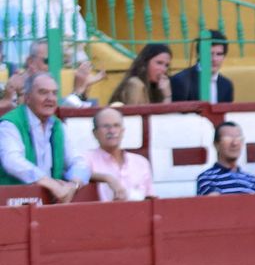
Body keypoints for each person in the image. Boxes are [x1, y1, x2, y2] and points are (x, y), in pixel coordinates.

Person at [0, 72, 88, 201]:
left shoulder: (58, 126)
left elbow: (79, 161)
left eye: (54, 93)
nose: (50, 98)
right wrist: (47, 181)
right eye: (43, 92)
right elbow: (12, 160)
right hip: (13, 204)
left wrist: (73, 184)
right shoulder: (10, 124)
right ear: (27, 97)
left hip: (50, 201)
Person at [85, 107, 155, 202]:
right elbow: (76, 174)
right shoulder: (87, 158)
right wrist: (107, 178)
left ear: (123, 130)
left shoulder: (140, 162)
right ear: (95, 133)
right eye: (106, 126)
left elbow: (150, 198)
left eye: (116, 125)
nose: (112, 131)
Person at [196, 121, 255, 194]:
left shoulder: (254, 180)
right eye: (228, 138)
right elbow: (214, 205)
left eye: (239, 138)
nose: (235, 143)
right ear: (216, 144)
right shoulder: (207, 178)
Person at [168, 31, 234, 102]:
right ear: (199, 54)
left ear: (224, 56)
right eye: (209, 54)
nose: (214, 59)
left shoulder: (226, 85)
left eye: (219, 54)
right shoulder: (180, 81)